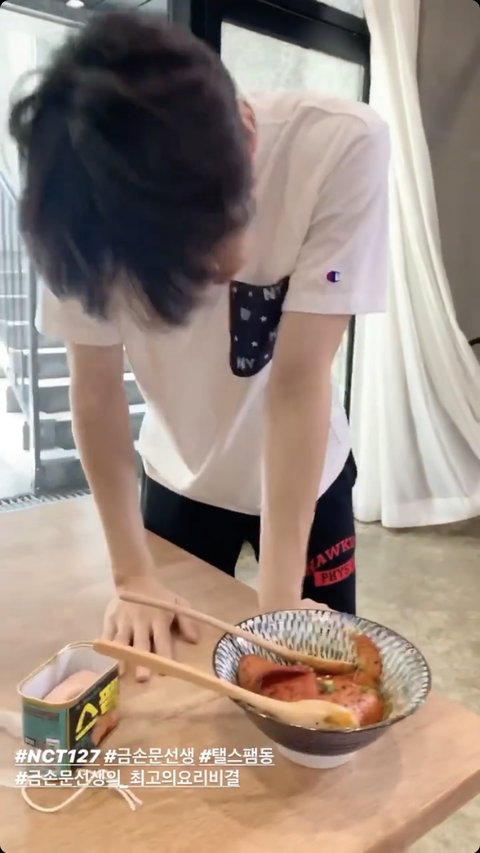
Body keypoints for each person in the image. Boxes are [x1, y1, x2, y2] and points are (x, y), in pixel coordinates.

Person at [9, 11, 390, 680]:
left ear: (247, 135)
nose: (196, 285)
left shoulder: (341, 145)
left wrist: (278, 606)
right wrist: (131, 576)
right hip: (178, 473)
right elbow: (95, 391)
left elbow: (299, 380)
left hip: (310, 474)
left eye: (200, 255)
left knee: (321, 689)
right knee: (166, 680)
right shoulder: (80, 209)